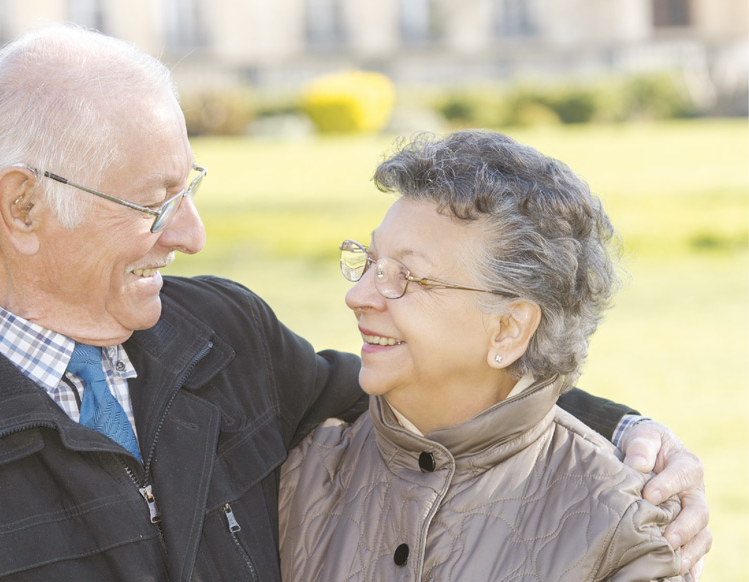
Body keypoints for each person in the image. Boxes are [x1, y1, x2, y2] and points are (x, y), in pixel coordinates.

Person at [0, 24, 707, 581]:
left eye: (190, 186)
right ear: (22, 206)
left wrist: (620, 432)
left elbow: (422, 396)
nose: (191, 234)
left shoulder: (219, 333)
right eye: (153, 201)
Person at [278, 130, 708, 581]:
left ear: (508, 329)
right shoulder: (299, 469)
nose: (358, 296)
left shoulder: (623, 529)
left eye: (405, 276)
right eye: (369, 261)